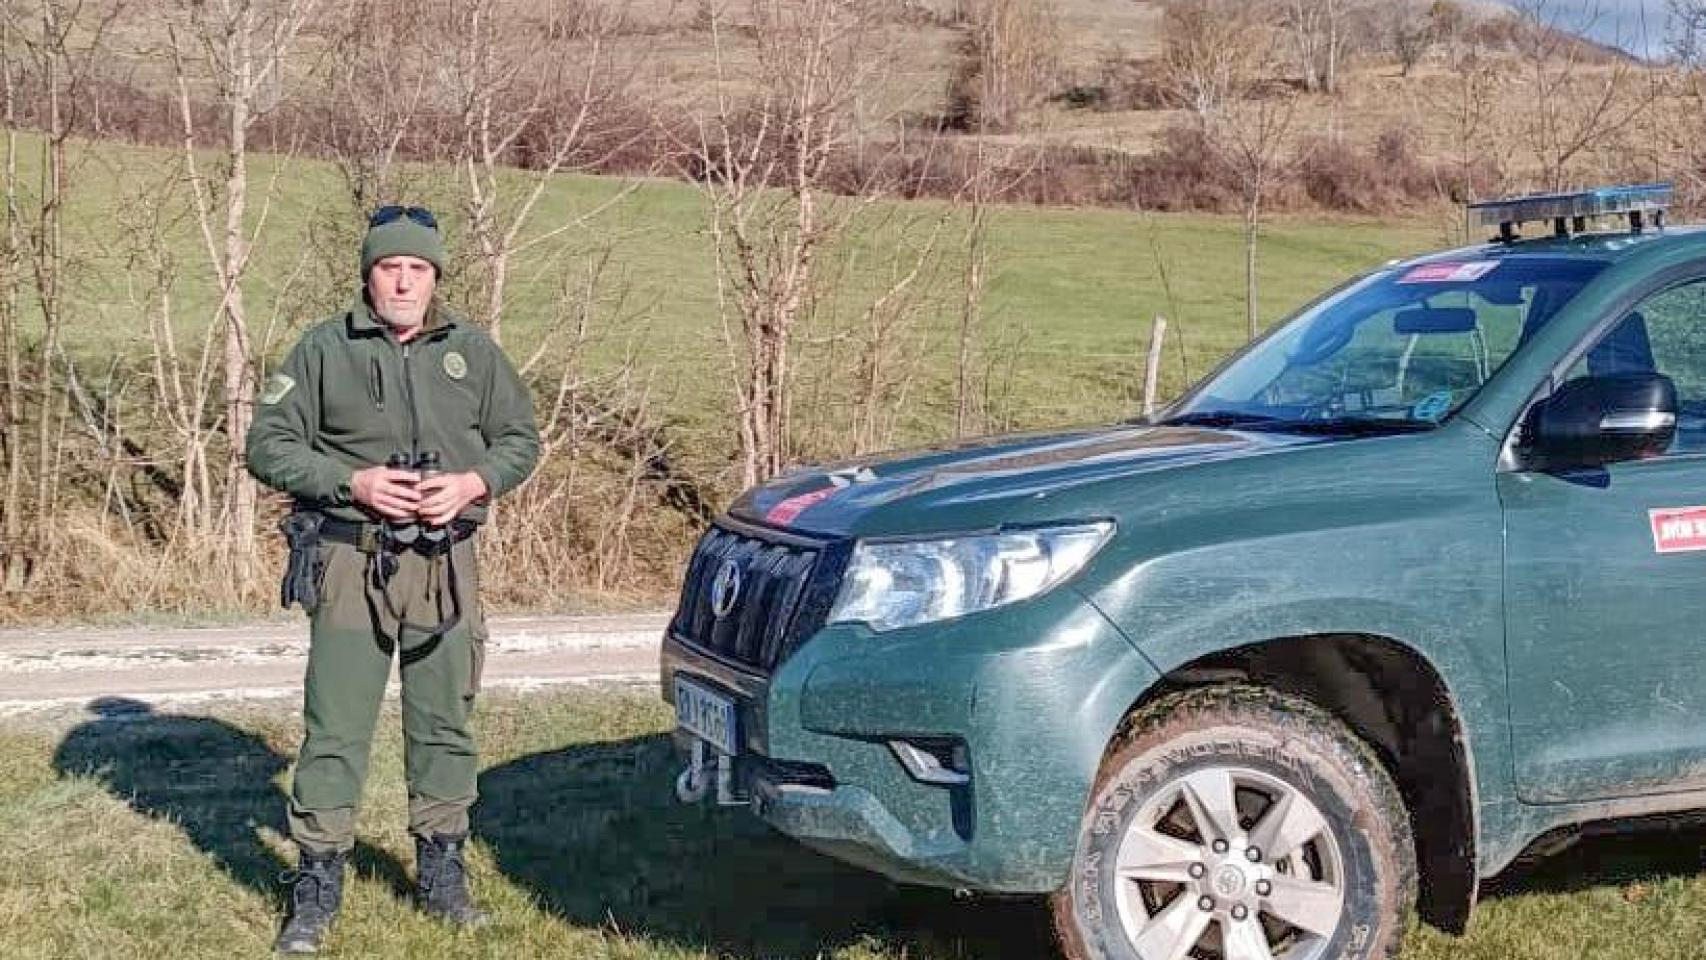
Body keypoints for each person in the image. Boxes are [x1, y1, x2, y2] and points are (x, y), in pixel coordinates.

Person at [246, 205, 540, 954]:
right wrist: (353, 481)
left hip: (446, 565)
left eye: (417, 269)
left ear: (435, 277)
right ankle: (316, 885)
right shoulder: (324, 349)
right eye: (390, 268)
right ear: (369, 275)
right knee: (336, 728)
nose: (403, 282)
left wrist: (474, 482)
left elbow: (521, 440)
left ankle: (442, 871)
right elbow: (268, 445)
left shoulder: (472, 353)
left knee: (445, 721)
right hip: (350, 560)